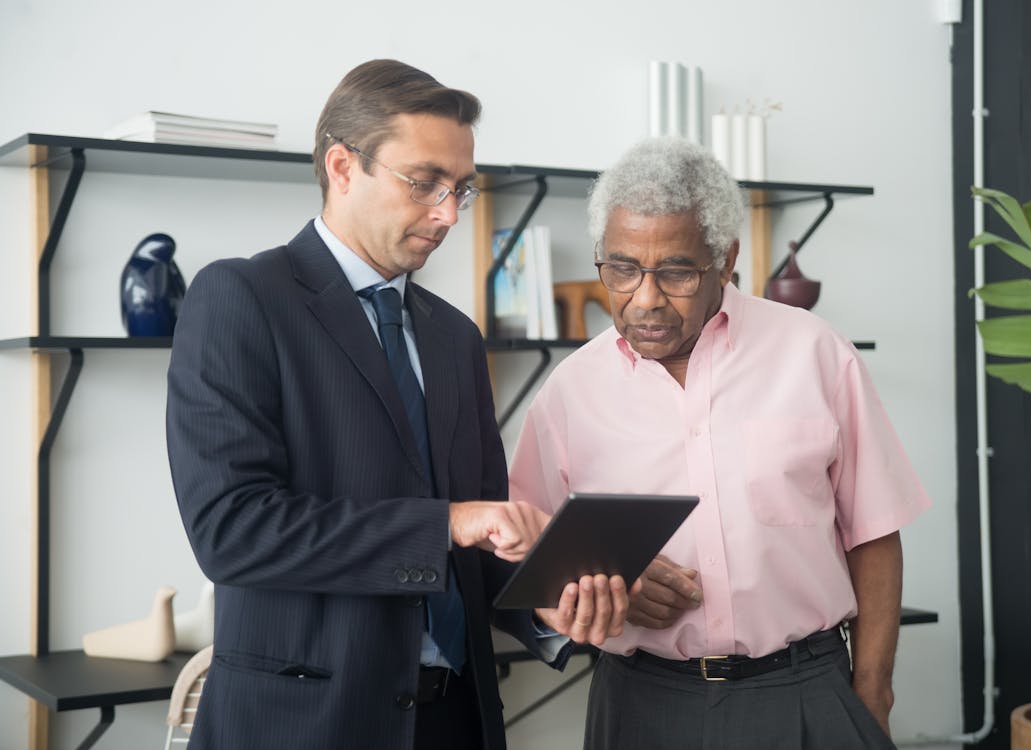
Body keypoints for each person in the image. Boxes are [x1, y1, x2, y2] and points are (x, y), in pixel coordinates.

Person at [166, 59, 627, 750]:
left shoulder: (456, 337)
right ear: (344, 166)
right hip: (305, 727)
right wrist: (447, 522)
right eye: (424, 184)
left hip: (456, 722)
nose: (446, 213)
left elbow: (478, 541)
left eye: (460, 190)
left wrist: (553, 609)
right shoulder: (241, 299)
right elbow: (231, 530)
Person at [507, 136, 931, 750]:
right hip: (641, 703)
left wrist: (871, 697)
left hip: (806, 692)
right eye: (622, 269)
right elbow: (531, 556)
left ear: (725, 259)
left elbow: (874, 533)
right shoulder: (570, 391)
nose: (645, 298)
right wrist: (606, 587)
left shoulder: (815, 354)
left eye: (676, 271)